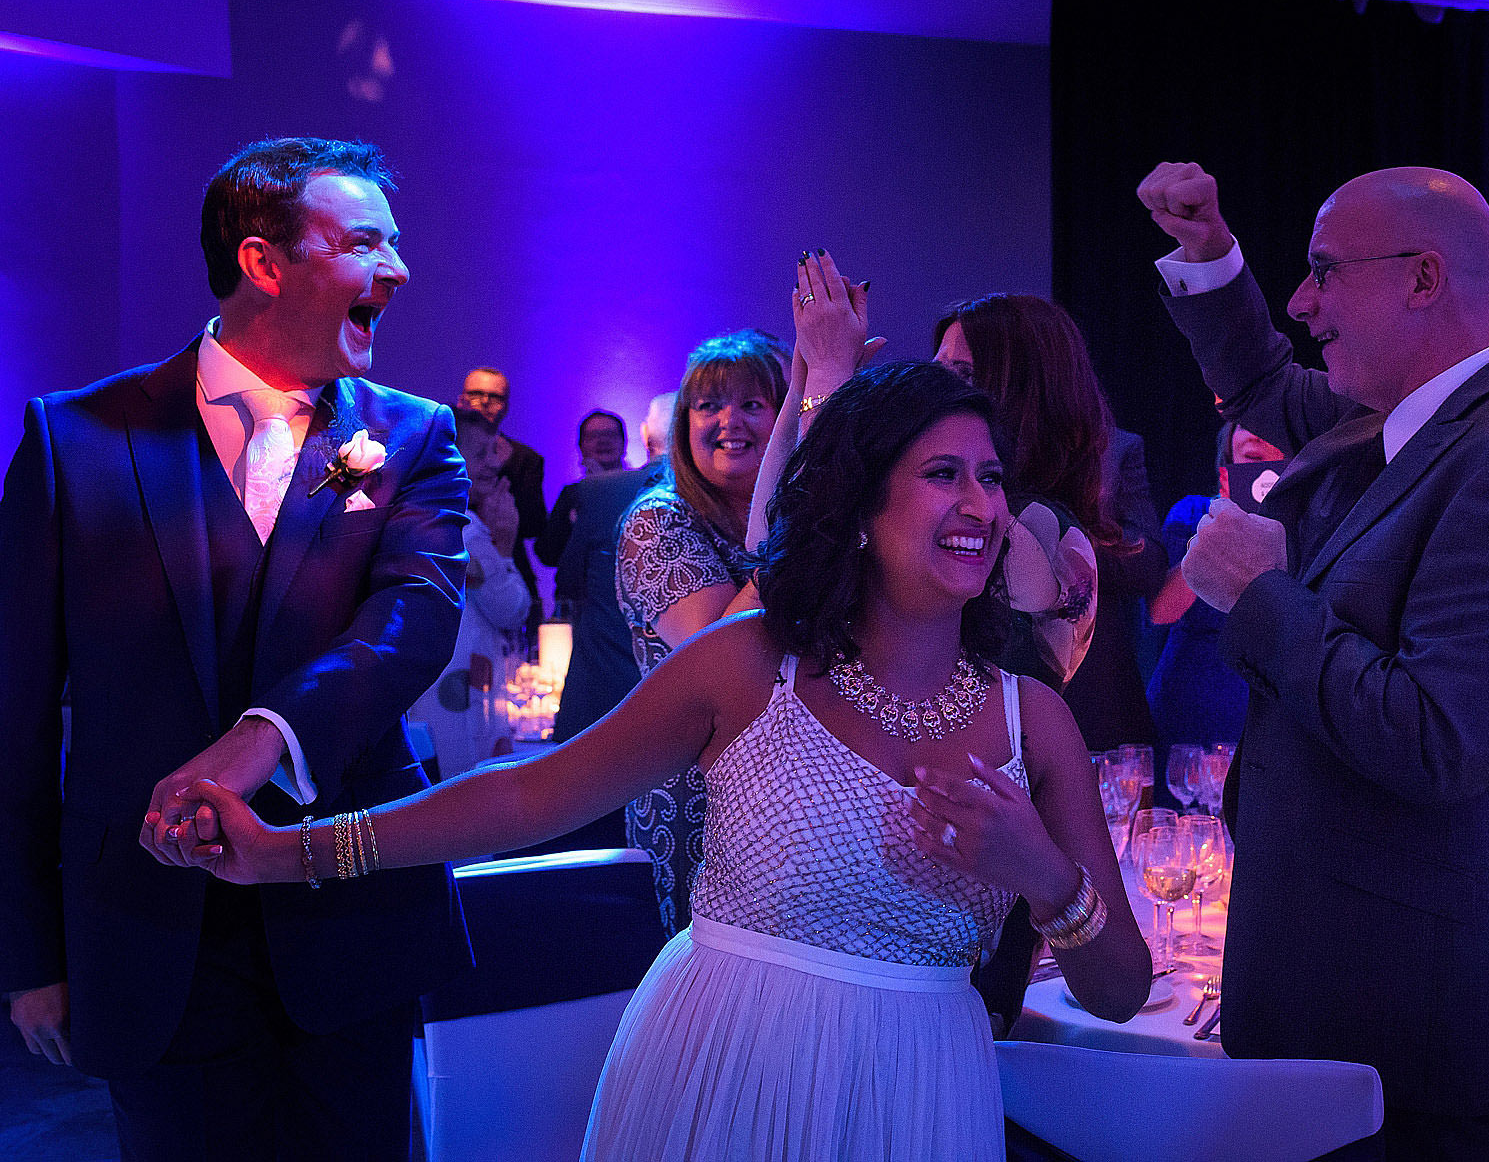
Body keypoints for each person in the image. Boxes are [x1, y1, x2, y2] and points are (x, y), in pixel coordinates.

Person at [155, 361, 1152, 1162]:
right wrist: (291, 851)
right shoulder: (751, 665)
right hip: (721, 1063)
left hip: (920, 1098)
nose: (978, 502)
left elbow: (1116, 990)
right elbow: (530, 793)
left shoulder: (1035, 725)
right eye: (942, 473)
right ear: (861, 506)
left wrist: (1043, 875)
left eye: (989, 476)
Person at [0, 137, 471, 1160]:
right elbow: (16, 717)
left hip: (347, 913)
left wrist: (262, 739)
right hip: (147, 924)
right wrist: (29, 948)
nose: (397, 269)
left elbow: (413, 618)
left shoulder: (415, 435)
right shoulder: (74, 437)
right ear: (264, 263)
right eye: (365, 242)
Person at [1137, 155, 1489, 1159]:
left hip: (1406, 1025)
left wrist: (1256, 594)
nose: (1303, 302)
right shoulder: (1401, 425)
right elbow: (1262, 378)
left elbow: (1434, 738)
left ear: (1422, 278)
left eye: (1323, 273)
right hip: (1336, 996)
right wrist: (1209, 256)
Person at [616, 331, 788, 931]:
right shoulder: (658, 522)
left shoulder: (791, 519)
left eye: (751, 404)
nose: (727, 422)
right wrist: (803, 534)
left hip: (799, 793)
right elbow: (717, 650)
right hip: (700, 804)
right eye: (708, 405)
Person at [934, 294, 1164, 741]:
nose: (937, 389)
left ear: (1018, 388)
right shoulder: (938, 495)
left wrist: (1063, 542)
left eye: (961, 374)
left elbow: (1149, 562)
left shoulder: (1108, 458)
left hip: (1088, 717)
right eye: (936, 369)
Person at [1146, 420, 1286, 782]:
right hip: (1189, 706)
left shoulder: (1305, 521)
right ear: (1228, 440)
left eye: (1267, 424)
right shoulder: (1192, 512)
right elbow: (1162, 610)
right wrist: (1220, 521)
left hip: (1269, 712)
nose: (1255, 433)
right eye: (1245, 424)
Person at [409, 409, 531, 777]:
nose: (493, 464)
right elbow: (512, 608)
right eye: (480, 454)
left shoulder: (421, 515)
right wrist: (505, 544)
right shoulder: (466, 527)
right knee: (464, 789)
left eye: (494, 452)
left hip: (437, 688)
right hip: (461, 695)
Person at [549, 396, 674, 743]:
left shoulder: (600, 492)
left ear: (643, 433)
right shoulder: (722, 492)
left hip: (603, 689)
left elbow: (568, 582)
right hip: (682, 695)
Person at [460, 365, 547, 628]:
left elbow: (535, 524)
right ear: (462, 399)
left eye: (494, 396)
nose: (485, 402)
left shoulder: (525, 458)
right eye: (476, 393)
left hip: (509, 565)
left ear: (506, 406)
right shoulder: (439, 447)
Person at [538, 408, 633, 570]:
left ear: (624, 443)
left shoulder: (639, 490)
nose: (603, 441)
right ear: (580, 447)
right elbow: (547, 554)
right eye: (594, 436)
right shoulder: (572, 495)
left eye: (610, 434)